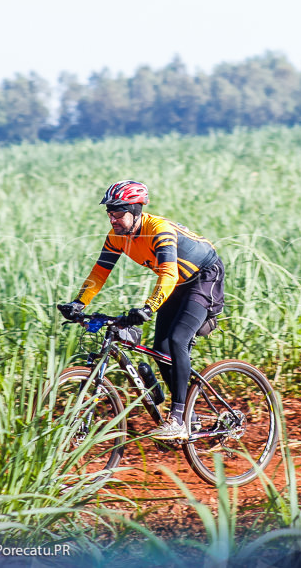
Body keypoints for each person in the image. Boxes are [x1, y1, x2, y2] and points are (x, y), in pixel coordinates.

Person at [57, 180, 225, 441]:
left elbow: (168, 273)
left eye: (118, 212)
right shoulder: (117, 237)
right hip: (177, 284)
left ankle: (178, 419)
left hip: (202, 277)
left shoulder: (158, 230)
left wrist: (148, 308)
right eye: (109, 212)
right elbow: (100, 273)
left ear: (135, 211)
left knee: (177, 340)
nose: (112, 219)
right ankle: (188, 414)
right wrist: (80, 302)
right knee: (160, 348)